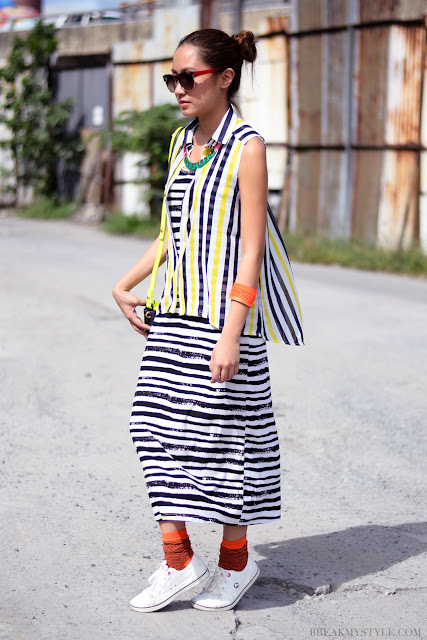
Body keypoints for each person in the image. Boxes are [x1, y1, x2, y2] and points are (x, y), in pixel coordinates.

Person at [112, 28, 304, 613]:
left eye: (187, 77)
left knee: (226, 444)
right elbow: (172, 233)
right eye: (171, 78)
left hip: (224, 320)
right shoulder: (180, 142)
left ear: (224, 77)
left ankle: (236, 563)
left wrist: (232, 333)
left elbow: (251, 246)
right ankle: (178, 561)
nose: (177, 88)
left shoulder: (248, 146)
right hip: (173, 313)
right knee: (150, 427)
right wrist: (125, 283)